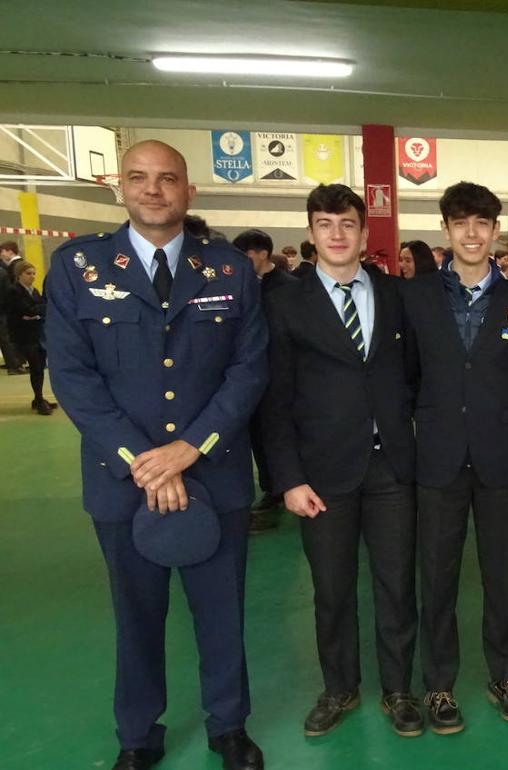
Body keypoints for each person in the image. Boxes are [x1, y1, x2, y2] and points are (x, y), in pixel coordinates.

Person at [44, 140, 268, 770]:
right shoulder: (78, 268)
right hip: (123, 484)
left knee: (221, 612)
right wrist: (145, 461)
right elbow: (74, 378)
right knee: (136, 616)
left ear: (188, 190)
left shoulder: (229, 271)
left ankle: (229, 726)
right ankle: (138, 735)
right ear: (121, 187)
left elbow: (248, 371)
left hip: (213, 475)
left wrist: (189, 449)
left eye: (167, 179)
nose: (153, 189)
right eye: (139, 178)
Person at [260, 184, 420, 740]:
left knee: (397, 584)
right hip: (321, 473)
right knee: (331, 588)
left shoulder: (397, 294)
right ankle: (340, 687)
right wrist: (288, 479)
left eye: (347, 223)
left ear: (364, 232)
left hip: (392, 468)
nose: (336, 233)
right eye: (324, 223)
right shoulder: (283, 302)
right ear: (310, 232)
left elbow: (415, 376)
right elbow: (273, 400)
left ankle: (398, 689)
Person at [399, 181, 508, 734]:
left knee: (503, 573)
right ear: (446, 230)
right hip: (436, 460)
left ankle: (505, 674)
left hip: (500, 460)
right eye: (461, 223)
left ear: (496, 230)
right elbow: (405, 378)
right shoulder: (414, 299)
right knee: (437, 576)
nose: (473, 233)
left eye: (483, 223)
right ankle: (438, 685)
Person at [231, 228, 295, 530]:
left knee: (281, 432)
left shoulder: (287, 288)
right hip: (251, 376)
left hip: (280, 376)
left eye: (246, 255)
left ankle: (288, 483)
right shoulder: (242, 286)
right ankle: (272, 486)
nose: (243, 262)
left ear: (262, 254)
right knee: (257, 435)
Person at [6, 259, 54, 414]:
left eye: (34, 273)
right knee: (36, 368)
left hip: (36, 334)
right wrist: (36, 312)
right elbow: (28, 310)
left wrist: (36, 312)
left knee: (39, 367)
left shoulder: (34, 290)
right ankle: (39, 400)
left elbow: (39, 308)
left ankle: (38, 398)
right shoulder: (14, 291)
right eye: (28, 273)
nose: (32, 276)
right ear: (19, 275)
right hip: (23, 337)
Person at [0, 240, 27, 374]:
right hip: (7, 309)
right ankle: (15, 364)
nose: (1, 254)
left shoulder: (14, 266)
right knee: (8, 338)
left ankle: (16, 363)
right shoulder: (7, 269)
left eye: (3, 251)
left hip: (10, 308)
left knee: (9, 337)